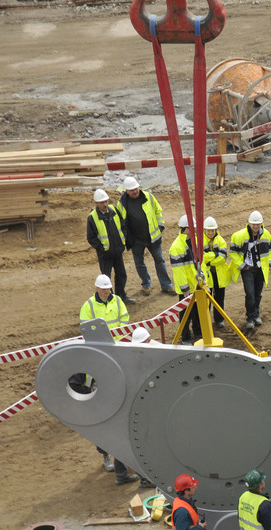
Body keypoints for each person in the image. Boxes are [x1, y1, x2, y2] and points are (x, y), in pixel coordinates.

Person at [76, 273, 139, 484]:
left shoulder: (118, 301)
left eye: (108, 288)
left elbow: (124, 321)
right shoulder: (89, 306)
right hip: (99, 354)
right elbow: (86, 329)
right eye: (103, 289)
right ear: (96, 288)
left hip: (116, 350)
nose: (107, 291)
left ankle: (120, 462)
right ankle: (106, 455)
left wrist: (115, 342)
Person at [117, 176, 174, 295]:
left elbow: (158, 211)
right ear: (126, 191)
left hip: (153, 237)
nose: (135, 191)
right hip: (136, 240)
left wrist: (160, 226)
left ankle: (166, 285)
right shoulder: (122, 204)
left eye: (136, 188)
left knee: (160, 260)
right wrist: (126, 239)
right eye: (132, 190)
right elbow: (121, 222)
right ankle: (146, 284)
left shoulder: (148, 197)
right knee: (139, 263)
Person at [87, 189, 135, 304]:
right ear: (96, 203)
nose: (105, 204)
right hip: (105, 254)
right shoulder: (92, 217)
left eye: (105, 201)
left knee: (121, 274)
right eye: (102, 202)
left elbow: (122, 225)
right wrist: (101, 248)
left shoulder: (113, 210)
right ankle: (109, 299)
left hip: (117, 251)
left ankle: (121, 296)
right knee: (106, 278)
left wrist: (123, 240)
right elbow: (91, 237)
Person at [229, 210, 271, 331]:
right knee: (250, 294)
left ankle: (256, 315)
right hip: (248, 269)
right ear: (249, 224)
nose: (255, 226)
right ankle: (250, 318)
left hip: (261, 269)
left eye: (258, 224)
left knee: (257, 293)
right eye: (253, 224)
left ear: (261, 224)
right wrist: (243, 266)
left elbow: (270, 252)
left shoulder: (266, 235)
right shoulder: (240, 236)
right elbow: (233, 253)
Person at [169, 215, 202, 345]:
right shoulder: (177, 247)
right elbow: (179, 271)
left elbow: (200, 263)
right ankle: (186, 337)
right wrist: (185, 289)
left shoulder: (194, 242)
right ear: (187, 229)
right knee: (185, 314)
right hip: (186, 288)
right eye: (192, 227)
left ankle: (198, 332)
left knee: (198, 311)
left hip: (196, 284)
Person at [202, 216, 231, 330]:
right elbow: (202, 257)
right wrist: (215, 255)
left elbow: (223, 257)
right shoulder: (200, 240)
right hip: (208, 276)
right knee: (207, 300)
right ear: (204, 230)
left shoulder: (221, 241)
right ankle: (207, 321)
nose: (210, 233)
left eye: (212, 230)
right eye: (209, 230)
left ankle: (219, 320)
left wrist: (209, 262)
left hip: (219, 276)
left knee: (219, 299)